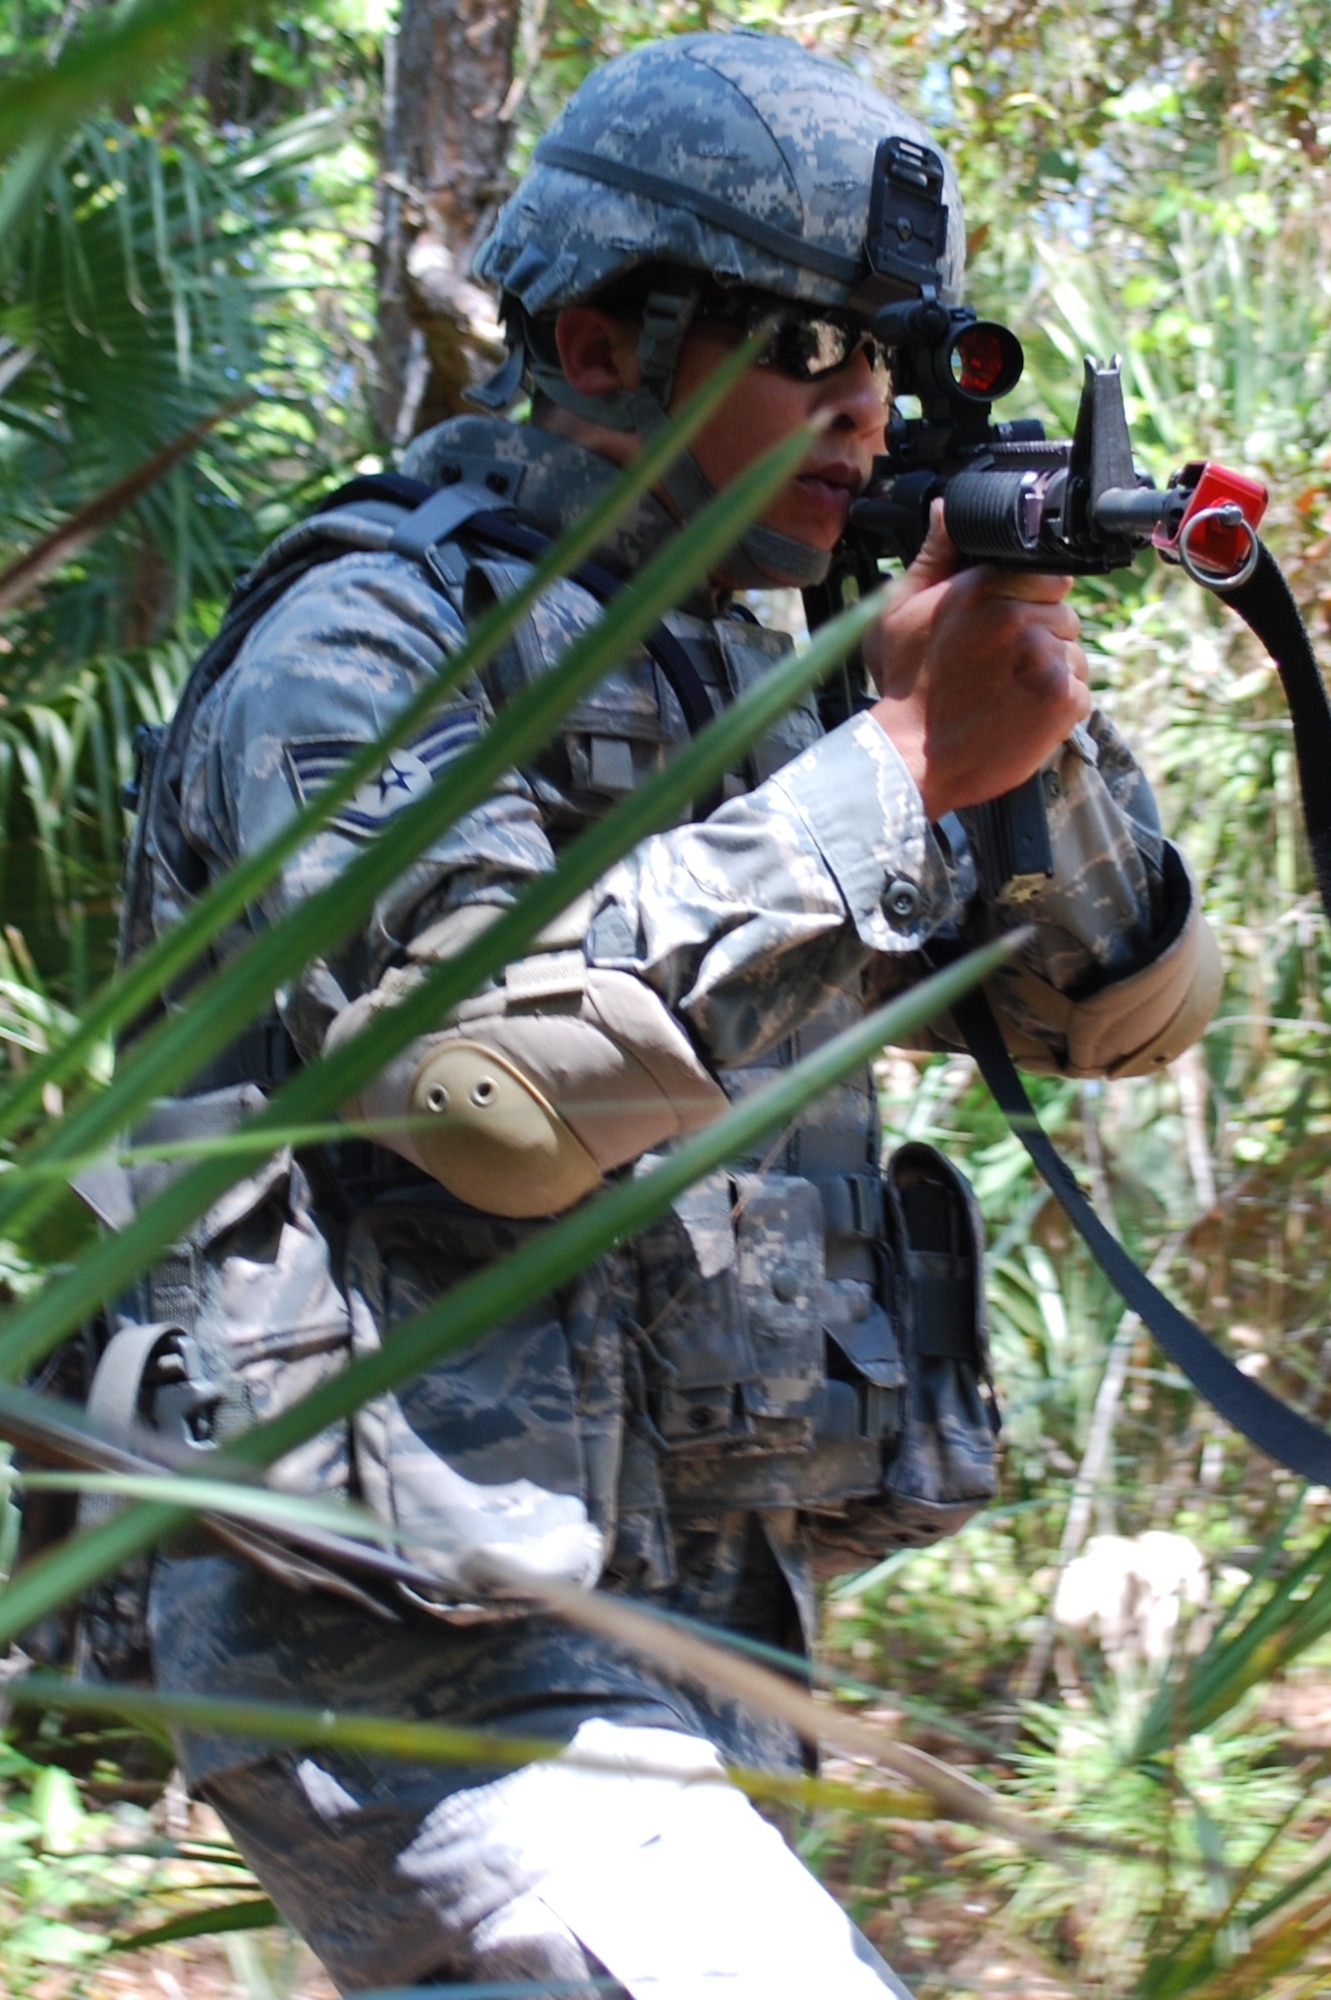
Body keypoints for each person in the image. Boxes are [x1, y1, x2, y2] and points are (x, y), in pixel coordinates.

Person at [120, 29, 1220, 1997]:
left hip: (711, 1638)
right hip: (410, 1656)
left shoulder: (777, 653)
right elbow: (484, 1095)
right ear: (607, 338)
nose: (872, 413)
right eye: (808, 353)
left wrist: (1013, 726)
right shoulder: (362, 640)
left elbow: (1122, 1013)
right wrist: (891, 768)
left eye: (898, 358)